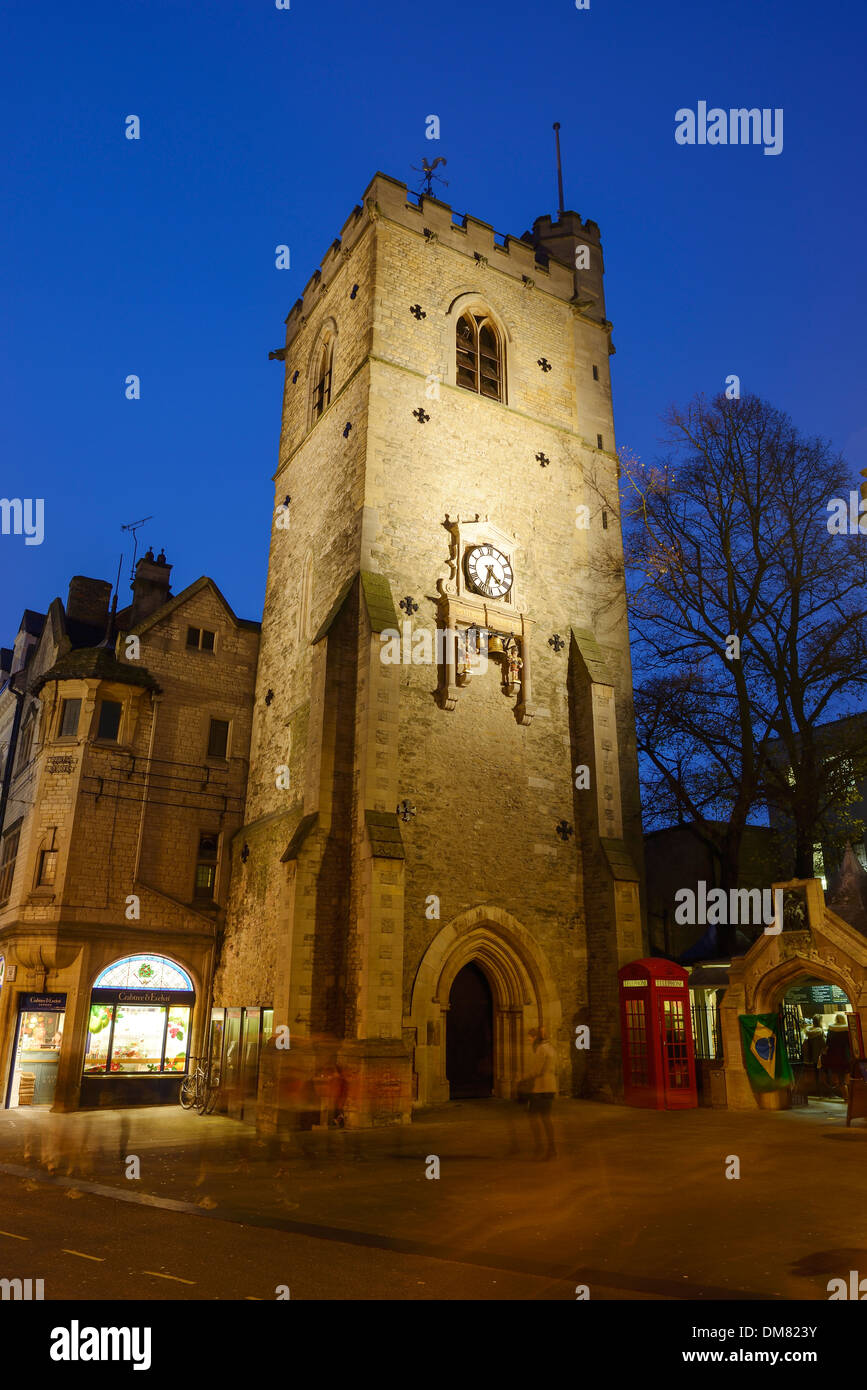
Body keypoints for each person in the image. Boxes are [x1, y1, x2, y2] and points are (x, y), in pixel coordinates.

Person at [526, 1026, 557, 1160]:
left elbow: (536, 1070)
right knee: (546, 1118)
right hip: (550, 1086)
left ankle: (541, 1146)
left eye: (530, 1037)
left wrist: (525, 1078)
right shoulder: (551, 1048)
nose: (529, 1039)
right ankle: (551, 1147)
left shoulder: (541, 1049)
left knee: (534, 1117)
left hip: (540, 1088)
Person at [821, 1013, 852, 1097]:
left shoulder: (831, 1029)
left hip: (833, 1057)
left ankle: (845, 1096)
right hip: (845, 1057)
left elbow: (827, 1043)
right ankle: (849, 1097)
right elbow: (850, 1043)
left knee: (839, 1079)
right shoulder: (847, 1029)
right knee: (847, 1079)